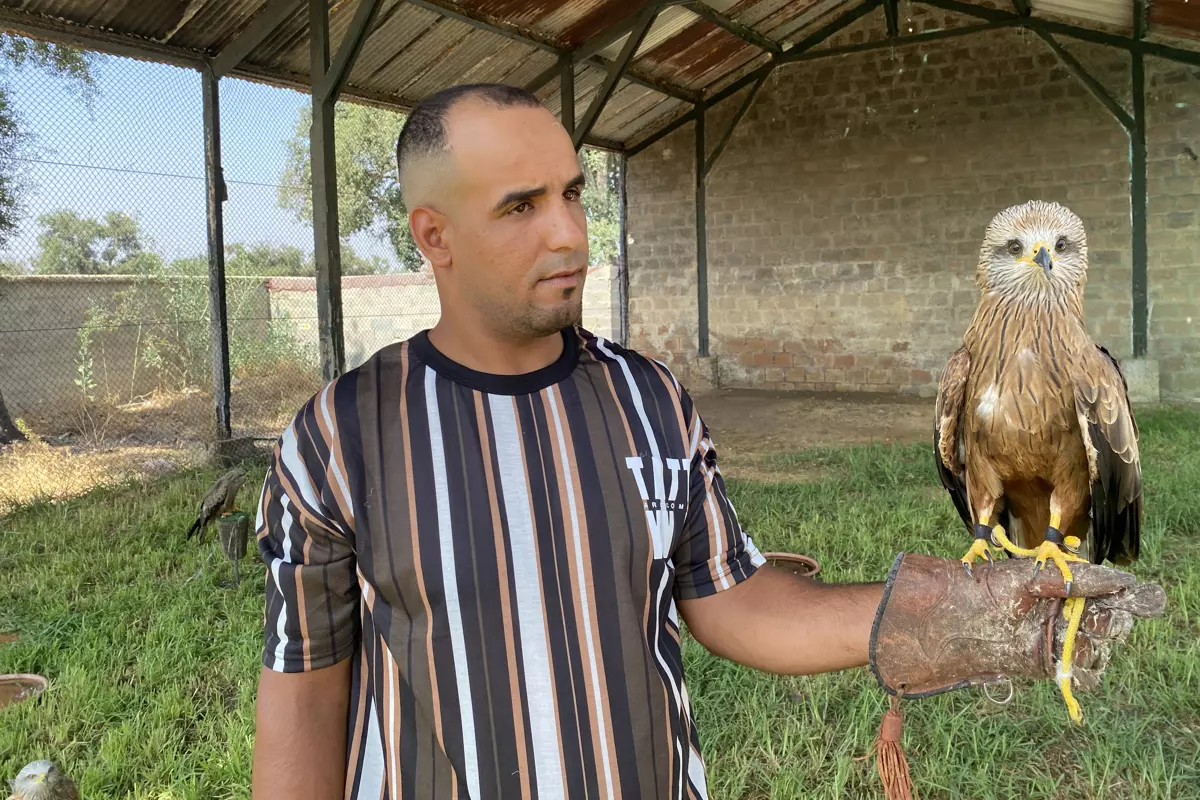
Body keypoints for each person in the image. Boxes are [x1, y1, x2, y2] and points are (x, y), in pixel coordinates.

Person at [250, 83, 1165, 800]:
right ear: (433, 236)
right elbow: (304, 701)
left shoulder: (648, 399)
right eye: (521, 207)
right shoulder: (337, 441)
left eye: (573, 193)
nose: (572, 232)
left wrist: (940, 613)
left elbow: (729, 601)